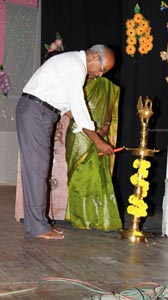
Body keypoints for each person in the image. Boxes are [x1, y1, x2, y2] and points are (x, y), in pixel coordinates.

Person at [15, 44, 115, 239]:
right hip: (37, 113)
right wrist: (98, 141)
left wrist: (87, 130)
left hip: (38, 112)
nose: (101, 74)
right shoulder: (75, 67)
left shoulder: (72, 63)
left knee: (36, 171)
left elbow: (69, 107)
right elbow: (78, 106)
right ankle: (39, 227)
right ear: (94, 57)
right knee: (37, 171)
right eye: (103, 69)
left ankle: (36, 223)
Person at [65, 75, 122, 231]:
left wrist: (105, 128)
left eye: (105, 70)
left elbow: (110, 109)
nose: (101, 73)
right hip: (79, 135)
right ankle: (82, 218)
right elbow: (66, 108)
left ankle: (100, 217)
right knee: (80, 175)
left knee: (99, 175)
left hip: (101, 134)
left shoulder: (107, 86)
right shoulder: (76, 81)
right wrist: (87, 127)